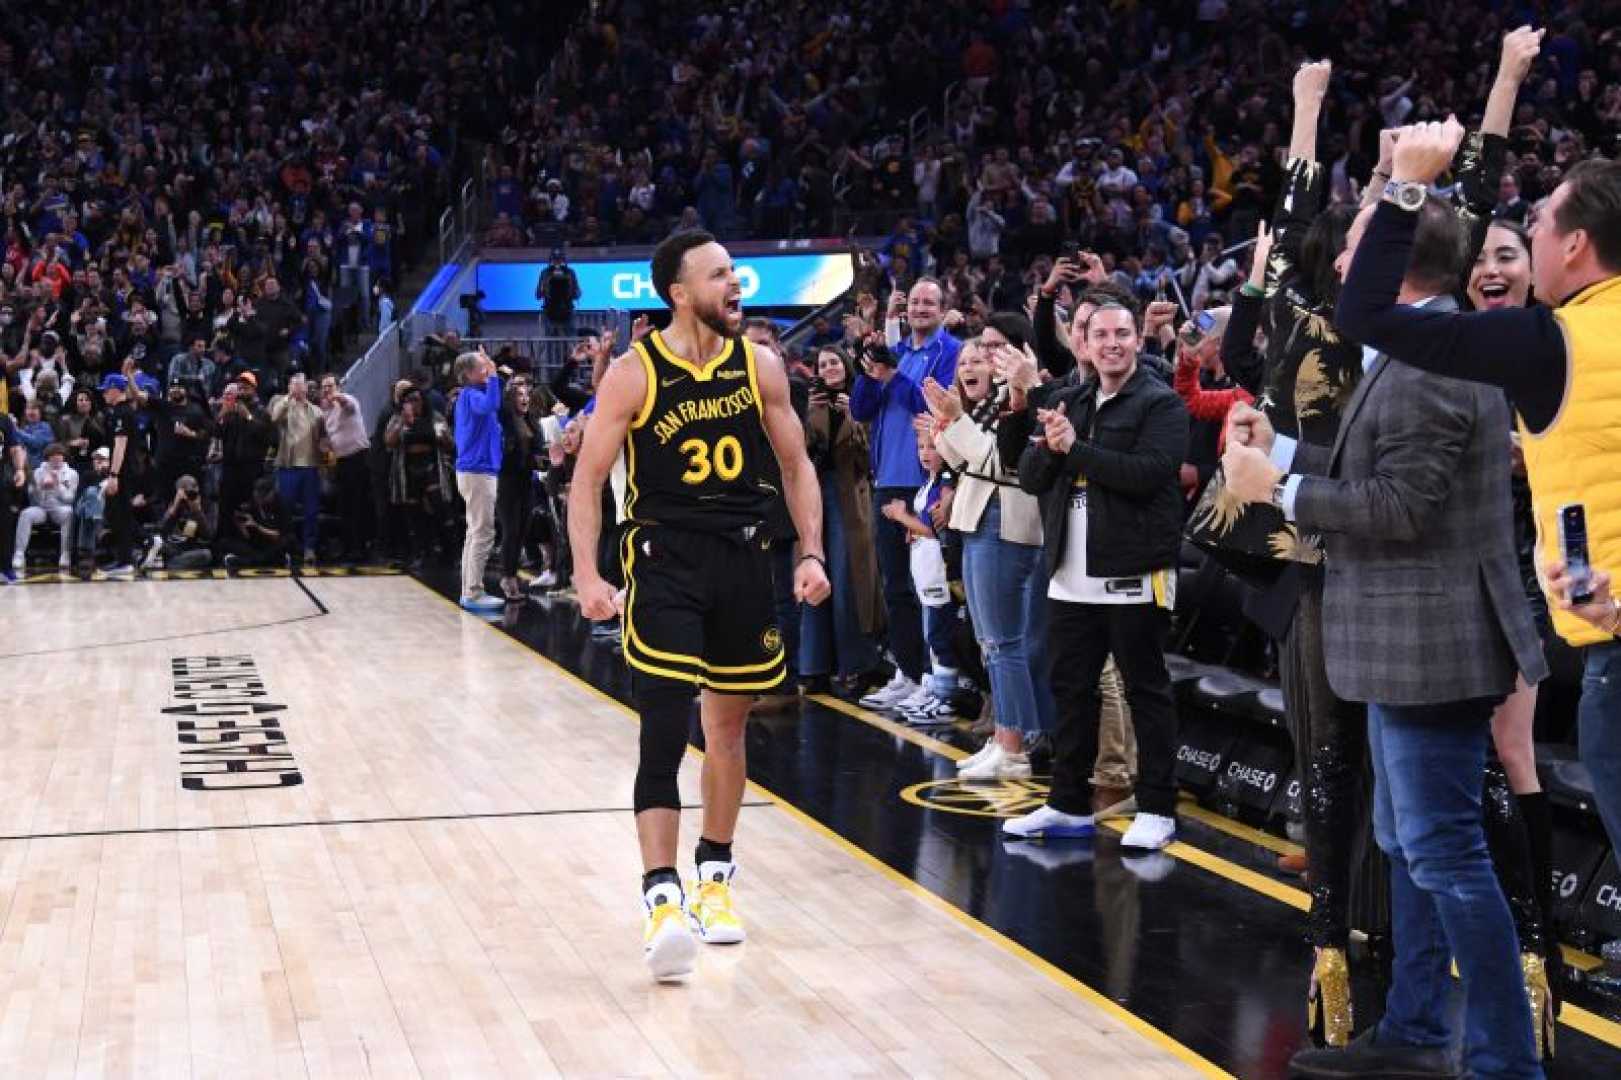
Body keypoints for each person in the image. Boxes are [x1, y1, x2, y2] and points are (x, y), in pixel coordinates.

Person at [1224, 129, 1548, 1079]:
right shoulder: (1417, 352)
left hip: (1429, 644)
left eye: (1363, 239)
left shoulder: (1436, 362)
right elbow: (1378, 470)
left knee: (1443, 856)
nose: (1344, 257)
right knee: (1408, 844)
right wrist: (1279, 459)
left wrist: (1276, 492)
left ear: (1399, 263)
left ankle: (1499, 1062)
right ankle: (1412, 1032)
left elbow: (1397, 509)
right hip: (1408, 640)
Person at [1332, 130, 1621, 871]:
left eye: (1537, 228)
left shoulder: (1543, 340)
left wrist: (1402, 186)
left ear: (1575, 244)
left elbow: (1365, 315)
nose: (1529, 237)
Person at [566, 229, 829, 982]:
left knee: (728, 726)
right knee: (663, 723)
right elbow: (586, 481)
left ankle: (715, 876)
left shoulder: (760, 365)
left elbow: (795, 464)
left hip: (745, 558)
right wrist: (588, 572)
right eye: (718, 276)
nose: (734, 284)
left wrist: (809, 550)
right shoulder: (632, 373)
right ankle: (660, 897)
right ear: (678, 293)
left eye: (734, 273)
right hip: (664, 560)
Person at [1001, 302, 1188, 851]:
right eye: (1100, 334)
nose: (1111, 343)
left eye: (1122, 334)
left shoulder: (1162, 403)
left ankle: (1157, 806)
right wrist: (1052, 445)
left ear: (1136, 341)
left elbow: (1148, 475)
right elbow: (1033, 477)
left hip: (1134, 568)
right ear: (1084, 342)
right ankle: (1065, 802)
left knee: (1144, 690)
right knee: (1072, 689)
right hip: (1069, 571)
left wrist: (1073, 448)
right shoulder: (1068, 401)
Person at [926, 338, 1047, 777]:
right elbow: (965, 464)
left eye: (983, 356)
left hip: (1007, 519)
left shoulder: (1019, 401)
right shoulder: (983, 405)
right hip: (978, 516)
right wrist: (947, 423)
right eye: (966, 360)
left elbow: (1000, 464)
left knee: (1004, 639)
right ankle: (1003, 737)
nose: (972, 365)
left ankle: (1015, 743)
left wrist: (956, 420)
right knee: (990, 641)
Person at [853, 280, 961, 713]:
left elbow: (936, 407)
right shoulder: (895, 351)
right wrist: (869, 370)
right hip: (888, 479)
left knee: (928, 587)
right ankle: (908, 674)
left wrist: (893, 377)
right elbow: (862, 410)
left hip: (925, 479)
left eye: (929, 302)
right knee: (895, 586)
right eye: (914, 301)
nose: (920, 308)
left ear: (942, 308)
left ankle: (937, 680)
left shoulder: (949, 351)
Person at [801, 345, 884, 696]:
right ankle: (815, 666)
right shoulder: (813, 406)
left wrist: (854, 415)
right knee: (817, 579)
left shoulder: (863, 398)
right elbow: (804, 452)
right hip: (818, 497)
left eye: (834, 361)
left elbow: (870, 455)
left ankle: (856, 665)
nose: (829, 367)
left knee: (851, 582)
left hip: (853, 499)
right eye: (823, 363)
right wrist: (812, 415)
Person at [452, 349, 504, 611]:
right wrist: (494, 378)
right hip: (477, 472)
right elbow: (491, 405)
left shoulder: (469, 395)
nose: (488, 369)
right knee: (483, 531)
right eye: (483, 367)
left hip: (475, 471)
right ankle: (473, 592)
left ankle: (469, 589)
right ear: (468, 374)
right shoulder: (472, 396)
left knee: (474, 532)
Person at [269, 373, 324, 566]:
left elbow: (323, 437)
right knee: (285, 510)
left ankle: (309, 547)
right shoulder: (281, 403)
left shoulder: (317, 411)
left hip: (310, 466)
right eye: (295, 384)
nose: (299, 388)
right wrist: (288, 397)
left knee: (311, 511)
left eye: (301, 385)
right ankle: (285, 547)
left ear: (307, 388)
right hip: (288, 466)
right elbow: (274, 418)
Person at [320, 374, 373, 564]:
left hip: (357, 458)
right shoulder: (326, 414)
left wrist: (337, 397)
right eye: (324, 387)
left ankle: (360, 548)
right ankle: (348, 547)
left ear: (338, 386)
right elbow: (328, 442)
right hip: (341, 463)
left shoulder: (349, 400)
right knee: (344, 507)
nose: (327, 390)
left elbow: (346, 404)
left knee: (357, 505)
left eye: (330, 386)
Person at [496, 377, 541, 601]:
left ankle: (511, 574)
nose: (524, 398)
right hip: (506, 479)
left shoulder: (532, 420)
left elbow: (537, 449)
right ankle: (508, 577)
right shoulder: (505, 418)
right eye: (519, 395)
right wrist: (504, 377)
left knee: (523, 530)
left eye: (526, 395)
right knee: (511, 530)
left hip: (526, 479)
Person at [13, 442, 76, 571]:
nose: (57, 462)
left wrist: (58, 486)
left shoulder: (72, 474)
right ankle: (19, 554)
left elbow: (70, 499)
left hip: (60, 508)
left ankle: (65, 554)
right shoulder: (38, 472)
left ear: (63, 458)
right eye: (54, 459)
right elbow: (32, 498)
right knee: (26, 514)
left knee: (69, 513)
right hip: (41, 508)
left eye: (60, 459)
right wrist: (39, 488)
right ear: (48, 459)